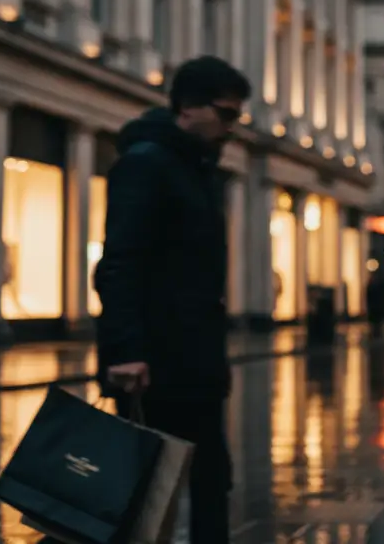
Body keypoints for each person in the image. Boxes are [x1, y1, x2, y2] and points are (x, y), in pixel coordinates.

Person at [94, 55, 250, 544]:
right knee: (146, 493)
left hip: (196, 364)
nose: (231, 128)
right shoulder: (146, 164)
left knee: (209, 483)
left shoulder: (195, 168)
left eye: (236, 117)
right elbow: (120, 261)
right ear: (188, 107)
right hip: (157, 365)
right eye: (225, 115)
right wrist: (126, 350)